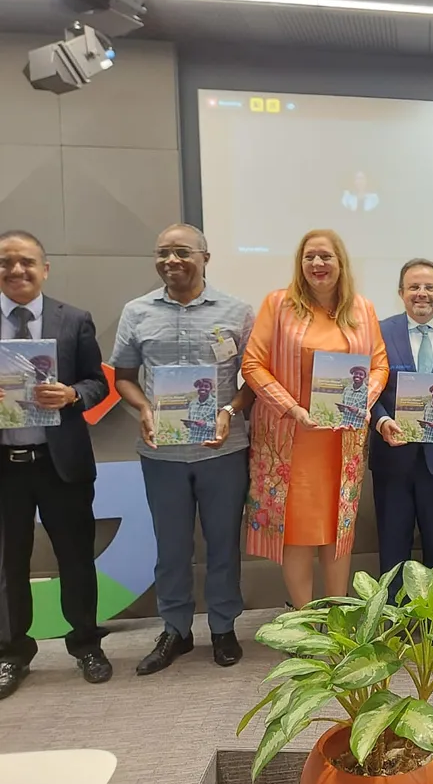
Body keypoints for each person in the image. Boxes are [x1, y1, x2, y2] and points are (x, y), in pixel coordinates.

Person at [111, 224, 257, 674]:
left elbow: (252, 379)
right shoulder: (136, 312)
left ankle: (223, 627)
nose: (171, 260)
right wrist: (143, 410)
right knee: (170, 546)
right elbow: (123, 378)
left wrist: (229, 411)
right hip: (162, 454)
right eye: (163, 253)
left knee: (223, 545)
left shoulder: (237, 311)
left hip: (223, 450)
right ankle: (175, 629)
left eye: (181, 252)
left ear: (205, 258)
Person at [242, 229, 387, 608]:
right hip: (292, 439)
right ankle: (305, 622)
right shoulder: (278, 305)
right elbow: (253, 365)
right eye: (310, 257)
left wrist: (361, 401)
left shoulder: (363, 309)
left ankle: (337, 620)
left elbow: (379, 366)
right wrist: (291, 408)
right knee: (298, 533)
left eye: (326, 257)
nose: (318, 264)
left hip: (341, 442)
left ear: (341, 262)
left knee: (338, 531)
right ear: (299, 263)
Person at [0, 230, 111, 698]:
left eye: (26, 262)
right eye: (6, 263)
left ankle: (86, 642)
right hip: (5, 465)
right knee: (7, 562)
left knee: (76, 557)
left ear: (45, 269)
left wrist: (72, 395)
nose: (16, 271)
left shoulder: (74, 320)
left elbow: (96, 383)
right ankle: (10, 652)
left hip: (59, 463)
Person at [371, 258, 433, 599]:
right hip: (392, 455)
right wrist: (382, 419)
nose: (422, 294)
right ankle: (393, 623)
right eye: (414, 287)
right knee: (392, 545)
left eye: (429, 287)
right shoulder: (380, 332)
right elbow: (369, 388)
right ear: (401, 293)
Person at [185, 377, 218, 444]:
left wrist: (205, 424)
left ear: (211, 389)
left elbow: (220, 426)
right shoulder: (192, 403)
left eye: (206, 386)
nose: (203, 388)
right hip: (192, 441)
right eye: (200, 386)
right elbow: (190, 421)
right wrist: (188, 424)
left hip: (207, 442)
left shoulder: (215, 404)